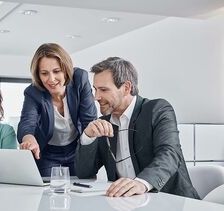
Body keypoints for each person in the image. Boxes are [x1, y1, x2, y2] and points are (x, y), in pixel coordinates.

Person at [75, 57, 199, 199]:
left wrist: (142, 183)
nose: (96, 97)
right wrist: (87, 137)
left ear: (126, 88)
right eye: (95, 90)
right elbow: (84, 173)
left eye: (103, 90)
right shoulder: (103, 124)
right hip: (127, 207)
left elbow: (170, 153)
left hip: (173, 204)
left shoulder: (157, 109)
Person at [17, 43, 97, 176]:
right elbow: (27, 122)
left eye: (56, 71)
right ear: (38, 75)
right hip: (48, 153)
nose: (51, 79)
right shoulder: (33, 92)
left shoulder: (80, 79)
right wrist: (29, 139)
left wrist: (88, 154)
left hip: (76, 148)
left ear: (66, 69)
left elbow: (89, 120)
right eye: (44, 73)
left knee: (82, 187)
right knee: (48, 192)